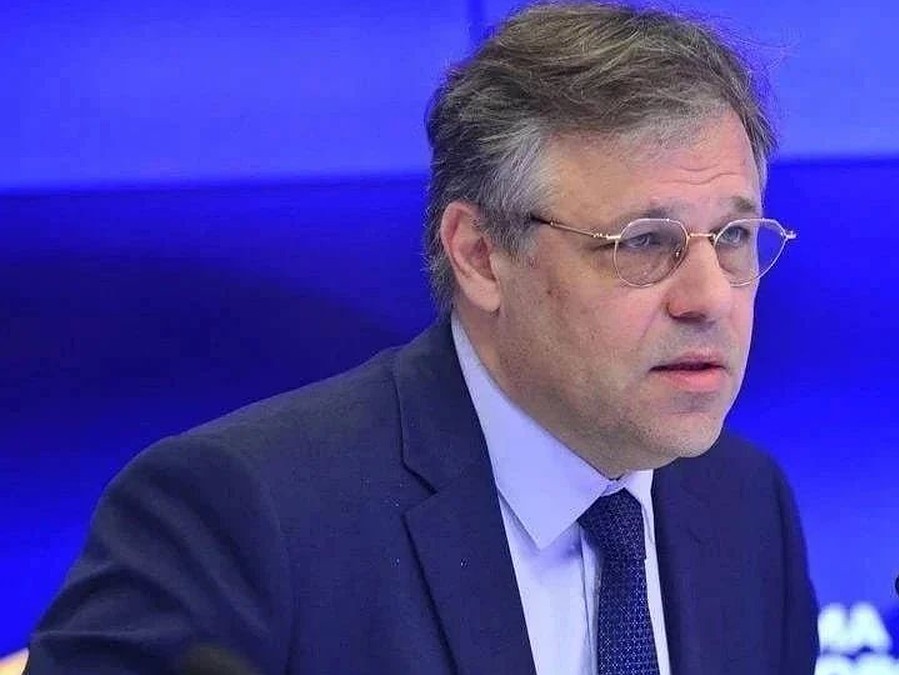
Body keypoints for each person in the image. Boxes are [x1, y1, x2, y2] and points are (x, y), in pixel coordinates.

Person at [24, 3, 819, 674]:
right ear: (480, 255)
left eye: (734, 235)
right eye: (644, 242)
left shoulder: (744, 503)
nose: (710, 297)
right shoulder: (241, 518)